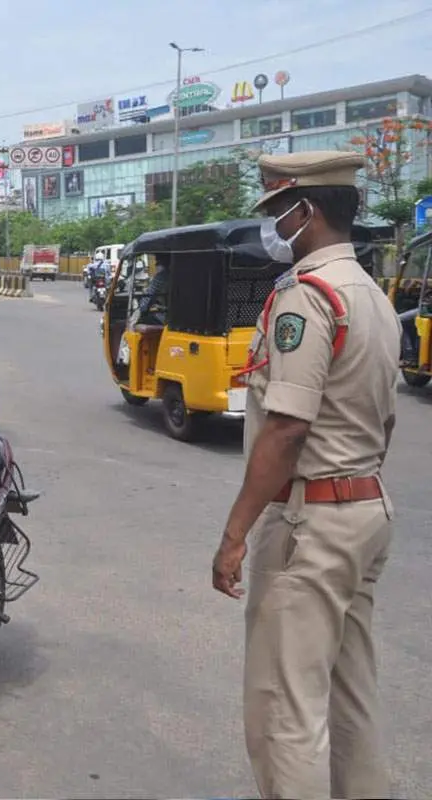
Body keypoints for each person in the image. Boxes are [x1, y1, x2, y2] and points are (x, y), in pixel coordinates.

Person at [211, 151, 399, 799]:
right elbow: (383, 419)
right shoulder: (370, 295)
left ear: (306, 211)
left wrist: (235, 535)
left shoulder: (307, 296)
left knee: (285, 710)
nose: (274, 226)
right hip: (365, 509)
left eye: (277, 211)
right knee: (351, 694)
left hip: (310, 521)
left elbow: (287, 428)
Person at [131, 255, 170, 327]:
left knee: (136, 322)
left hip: (165, 317)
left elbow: (148, 298)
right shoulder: (177, 274)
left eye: (157, 263)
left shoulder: (161, 276)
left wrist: (140, 311)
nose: (155, 265)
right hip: (178, 315)